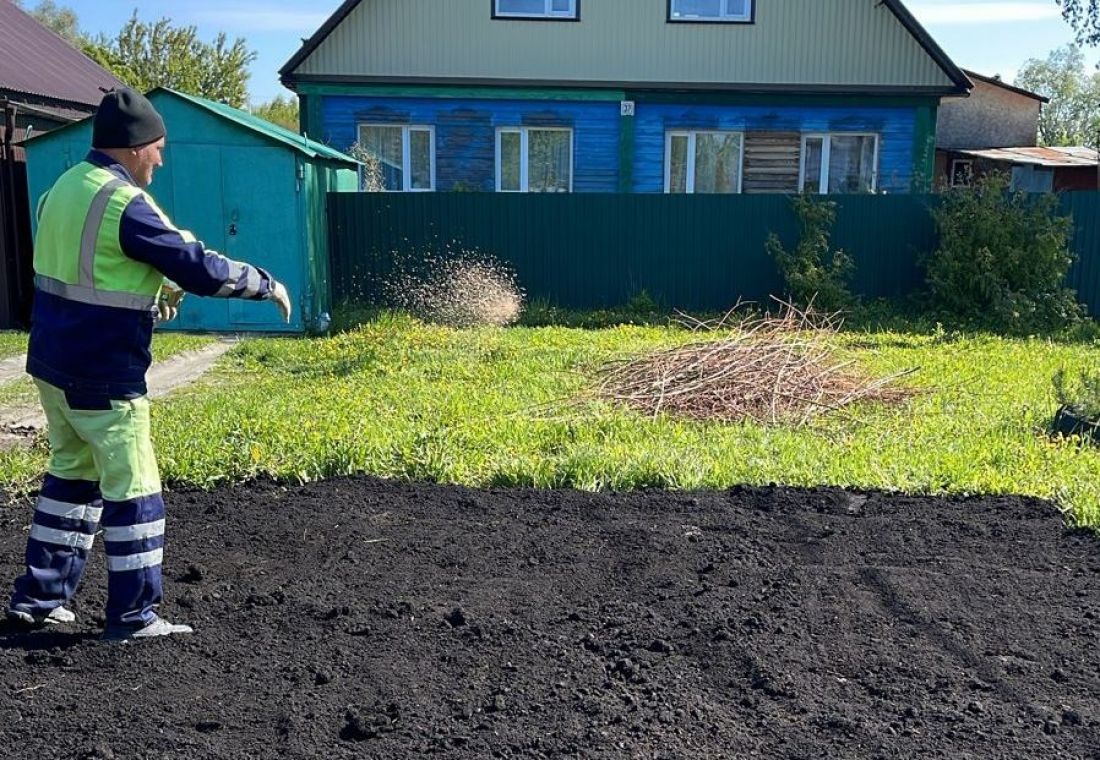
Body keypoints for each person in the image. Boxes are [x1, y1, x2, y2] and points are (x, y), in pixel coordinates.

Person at [5, 88, 292, 642]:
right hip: (104, 372)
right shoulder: (124, 201)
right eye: (158, 148)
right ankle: (134, 616)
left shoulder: (61, 188)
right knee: (135, 489)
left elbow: (91, 268)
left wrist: (149, 288)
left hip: (51, 364)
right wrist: (263, 284)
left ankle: (39, 600)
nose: (160, 158)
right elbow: (197, 265)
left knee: (70, 479)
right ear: (135, 147)